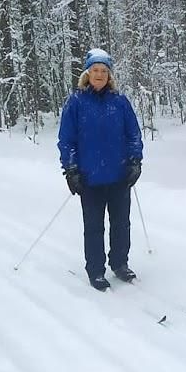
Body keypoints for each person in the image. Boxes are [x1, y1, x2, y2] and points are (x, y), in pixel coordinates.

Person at [58, 48, 144, 291]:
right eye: (95, 70)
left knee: (121, 224)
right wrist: (71, 169)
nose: (99, 75)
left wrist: (135, 161)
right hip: (89, 178)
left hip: (118, 176)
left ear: (110, 75)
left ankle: (119, 263)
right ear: (87, 73)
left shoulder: (120, 102)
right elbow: (66, 139)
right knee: (94, 226)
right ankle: (95, 270)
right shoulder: (75, 102)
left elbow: (133, 134)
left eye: (103, 71)